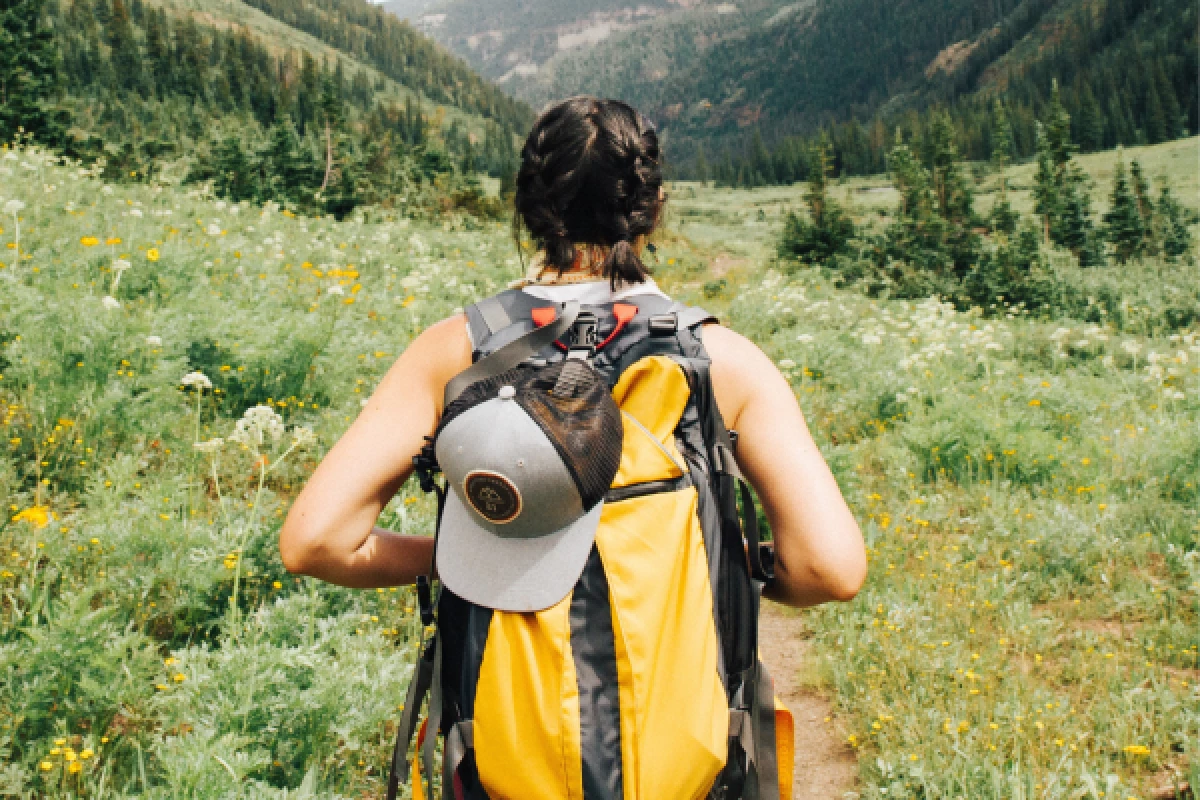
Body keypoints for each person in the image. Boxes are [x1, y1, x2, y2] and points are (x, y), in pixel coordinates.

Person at [279, 96, 866, 799]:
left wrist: (464, 555)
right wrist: (736, 565)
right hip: (688, 769)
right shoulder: (721, 360)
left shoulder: (456, 353)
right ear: (653, 206)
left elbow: (315, 541)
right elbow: (831, 569)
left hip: (507, 766)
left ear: (527, 207)